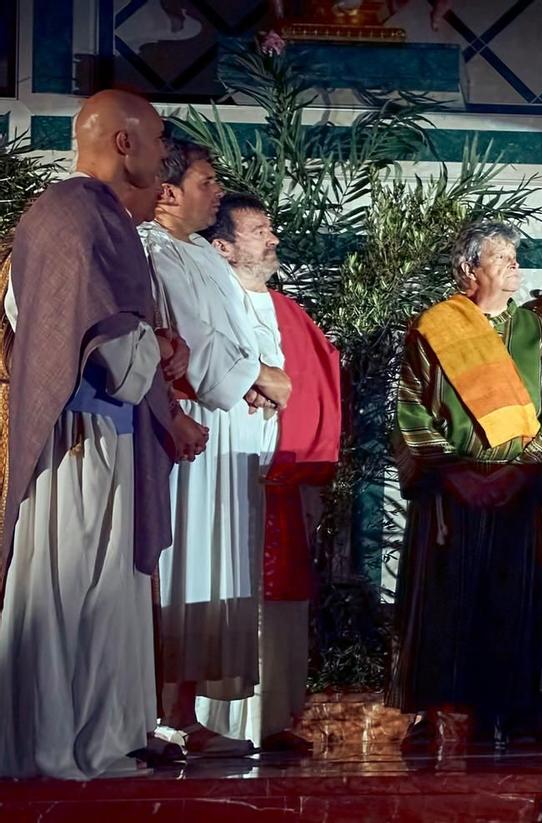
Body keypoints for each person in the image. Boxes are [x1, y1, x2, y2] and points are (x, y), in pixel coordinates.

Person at [0, 90, 206, 779]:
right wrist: (160, 348)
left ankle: (100, 735)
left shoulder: (67, 213)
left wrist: (153, 348)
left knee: (93, 592)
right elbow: (103, 344)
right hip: (83, 437)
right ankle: (70, 746)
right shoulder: (81, 215)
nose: (160, 156)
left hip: (94, 430)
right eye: (152, 141)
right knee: (77, 592)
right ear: (123, 143)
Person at [143, 139, 293, 757]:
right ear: (170, 192)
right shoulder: (153, 251)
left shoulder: (201, 254)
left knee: (215, 562)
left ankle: (188, 709)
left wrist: (254, 376)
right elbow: (187, 338)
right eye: (206, 182)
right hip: (183, 424)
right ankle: (156, 714)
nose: (216, 191)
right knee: (181, 564)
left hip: (226, 420)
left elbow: (233, 329)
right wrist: (254, 377)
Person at [393, 222, 542, 750]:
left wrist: (518, 472)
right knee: (445, 602)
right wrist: (454, 473)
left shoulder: (533, 329)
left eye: (514, 256)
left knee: (510, 601)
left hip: (514, 488)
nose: (513, 264)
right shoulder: (435, 327)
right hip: (452, 490)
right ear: (468, 270)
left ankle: (506, 715)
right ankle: (437, 713)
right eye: (501, 256)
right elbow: (412, 407)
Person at [197, 193, 340, 754]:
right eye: (259, 231)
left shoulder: (289, 310)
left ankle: (275, 717)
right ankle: (219, 724)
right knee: (224, 588)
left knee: (281, 599)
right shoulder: (210, 306)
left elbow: (322, 386)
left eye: (271, 228)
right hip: (224, 474)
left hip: (283, 478)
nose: (273, 238)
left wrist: (309, 461)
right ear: (223, 247)